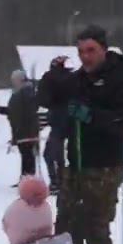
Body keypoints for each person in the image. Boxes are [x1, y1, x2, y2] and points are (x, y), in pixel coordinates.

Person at [41, 24, 123, 244]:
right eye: (81, 51)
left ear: (104, 50)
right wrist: (52, 75)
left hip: (104, 168)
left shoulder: (121, 81)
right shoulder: (77, 80)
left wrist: (90, 116)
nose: (86, 56)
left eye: (91, 50)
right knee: (66, 229)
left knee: (95, 230)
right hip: (76, 166)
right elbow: (45, 98)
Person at [0, 69, 41, 182]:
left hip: (26, 130)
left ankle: (29, 180)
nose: (13, 82)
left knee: (28, 155)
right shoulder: (19, 92)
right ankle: (25, 179)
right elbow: (13, 111)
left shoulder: (26, 92)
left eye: (14, 80)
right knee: (25, 154)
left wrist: (26, 125)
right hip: (20, 130)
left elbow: (29, 110)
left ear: (20, 79)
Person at [37, 57, 73, 194]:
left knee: (49, 154)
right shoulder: (73, 78)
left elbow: (43, 99)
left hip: (58, 121)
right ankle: (62, 181)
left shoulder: (49, 78)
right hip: (71, 120)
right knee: (60, 155)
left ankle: (57, 182)